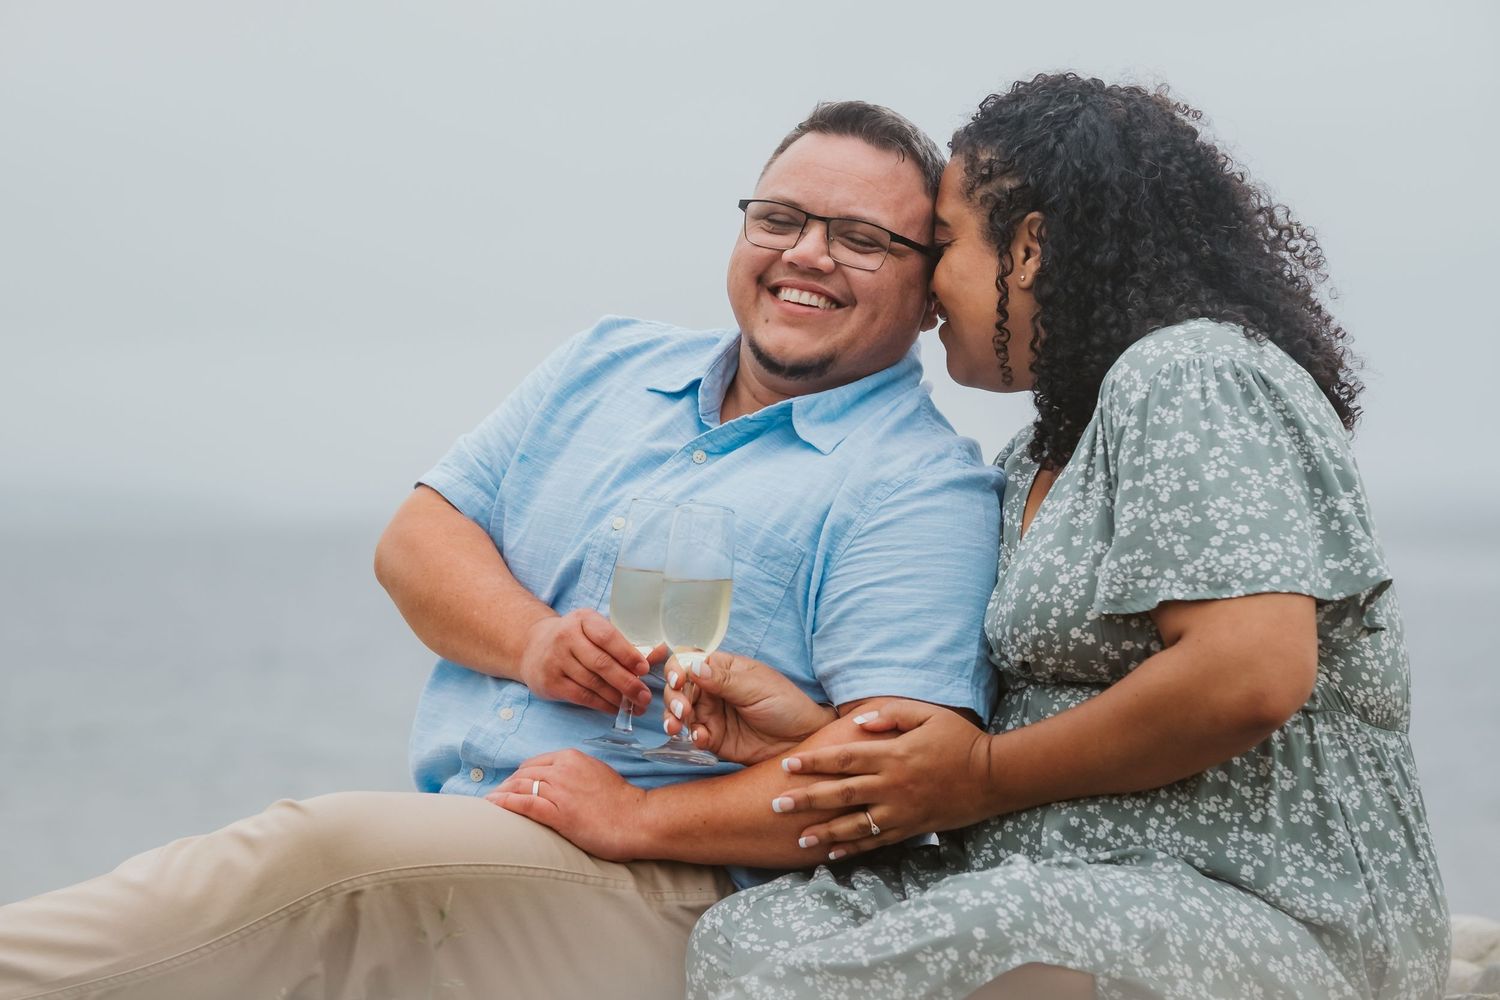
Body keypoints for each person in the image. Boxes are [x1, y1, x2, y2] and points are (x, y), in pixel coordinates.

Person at [0, 102, 1004, 1000]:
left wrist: (638, 821)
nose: (807, 253)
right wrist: (532, 643)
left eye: (862, 239)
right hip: (472, 832)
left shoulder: (918, 484)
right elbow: (417, 541)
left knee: (324, 859)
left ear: (928, 293)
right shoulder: (608, 362)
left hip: (665, 892)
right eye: (780, 218)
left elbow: (894, 778)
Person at [662, 75, 1450, 999]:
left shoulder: (1193, 372)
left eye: (944, 246)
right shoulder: (1036, 449)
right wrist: (826, 744)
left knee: (969, 939)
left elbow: (1250, 674)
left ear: (1028, 247)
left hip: (1266, 901)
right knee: (759, 933)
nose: (925, 289)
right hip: (1047, 876)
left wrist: (981, 777)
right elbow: (992, 730)